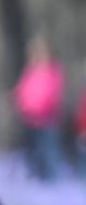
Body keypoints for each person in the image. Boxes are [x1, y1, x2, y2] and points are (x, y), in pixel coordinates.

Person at [13, 37, 66, 182]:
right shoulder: (29, 71)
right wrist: (19, 103)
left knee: (48, 150)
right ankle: (35, 177)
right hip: (29, 117)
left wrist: (43, 109)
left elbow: (53, 94)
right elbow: (22, 91)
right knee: (31, 151)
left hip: (46, 118)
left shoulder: (52, 71)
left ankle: (50, 179)